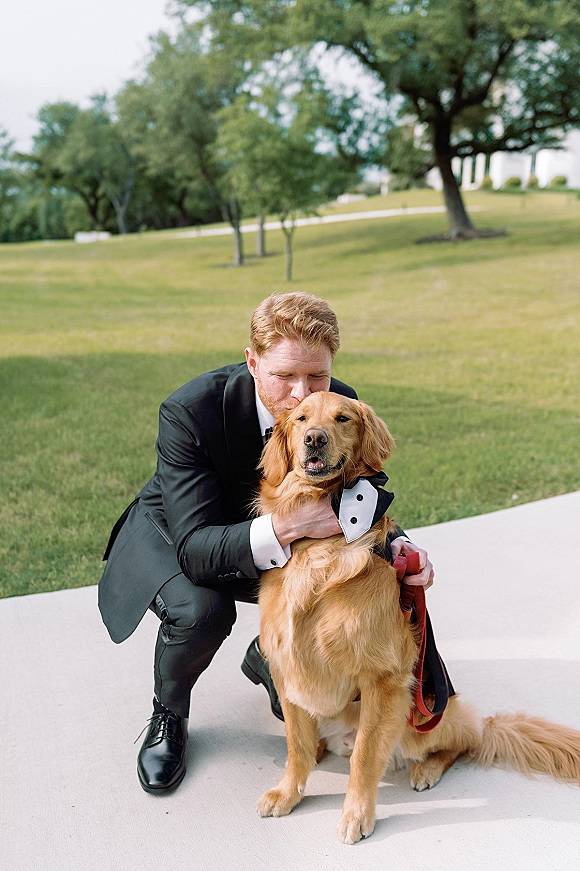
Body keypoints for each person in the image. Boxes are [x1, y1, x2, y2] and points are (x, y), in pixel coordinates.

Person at [98, 292, 434, 794]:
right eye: (285, 376)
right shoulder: (190, 411)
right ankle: (168, 713)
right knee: (203, 610)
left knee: (337, 586)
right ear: (253, 363)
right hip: (180, 533)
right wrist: (291, 527)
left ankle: (270, 654)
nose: (302, 394)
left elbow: (363, 486)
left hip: (267, 531)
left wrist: (400, 547)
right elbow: (197, 549)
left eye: (316, 376)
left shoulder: (335, 407)